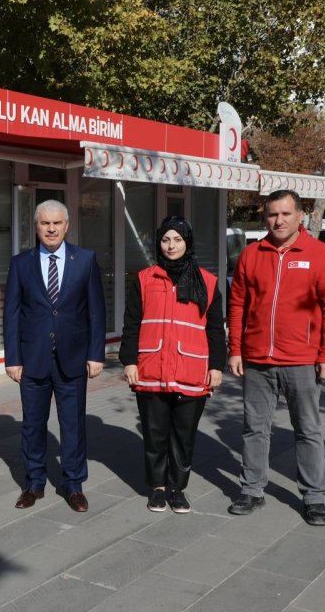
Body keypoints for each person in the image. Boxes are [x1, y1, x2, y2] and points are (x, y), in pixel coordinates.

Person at [227, 189, 325, 526]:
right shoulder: (252, 254)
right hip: (258, 359)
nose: (278, 220)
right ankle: (251, 490)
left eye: (285, 214)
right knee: (254, 428)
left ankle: (313, 497)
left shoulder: (319, 254)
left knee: (307, 430)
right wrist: (236, 348)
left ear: (300, 216)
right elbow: (238, 304)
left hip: (302, 360)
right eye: (272, 215)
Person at [4, 199, 105, 512]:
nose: (51, 228)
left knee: (73, 425)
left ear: (67, 225)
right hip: (32, 358)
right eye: (45, 223)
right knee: (33, 424)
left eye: (56, 223)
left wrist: (95, 354)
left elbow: (96, 312)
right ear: (36, 227)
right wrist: (12, 358)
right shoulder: (21, 263)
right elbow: (12, 313)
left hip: (72, 357)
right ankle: (34, 483)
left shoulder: (85, 260)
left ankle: (73, 484)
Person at [120, 216, 225, 513]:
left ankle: (177, 488)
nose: (171, 245)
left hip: (192, 369)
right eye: (166, 239)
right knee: (155, 433)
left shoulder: (208, 281)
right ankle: (157, 488)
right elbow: (131, 323)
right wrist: (129, 361)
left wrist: (216, 366)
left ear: (187, 242)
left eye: (177, 239)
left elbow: (216, 328)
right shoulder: (145, 278)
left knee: (184, 434)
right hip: (151, 367)